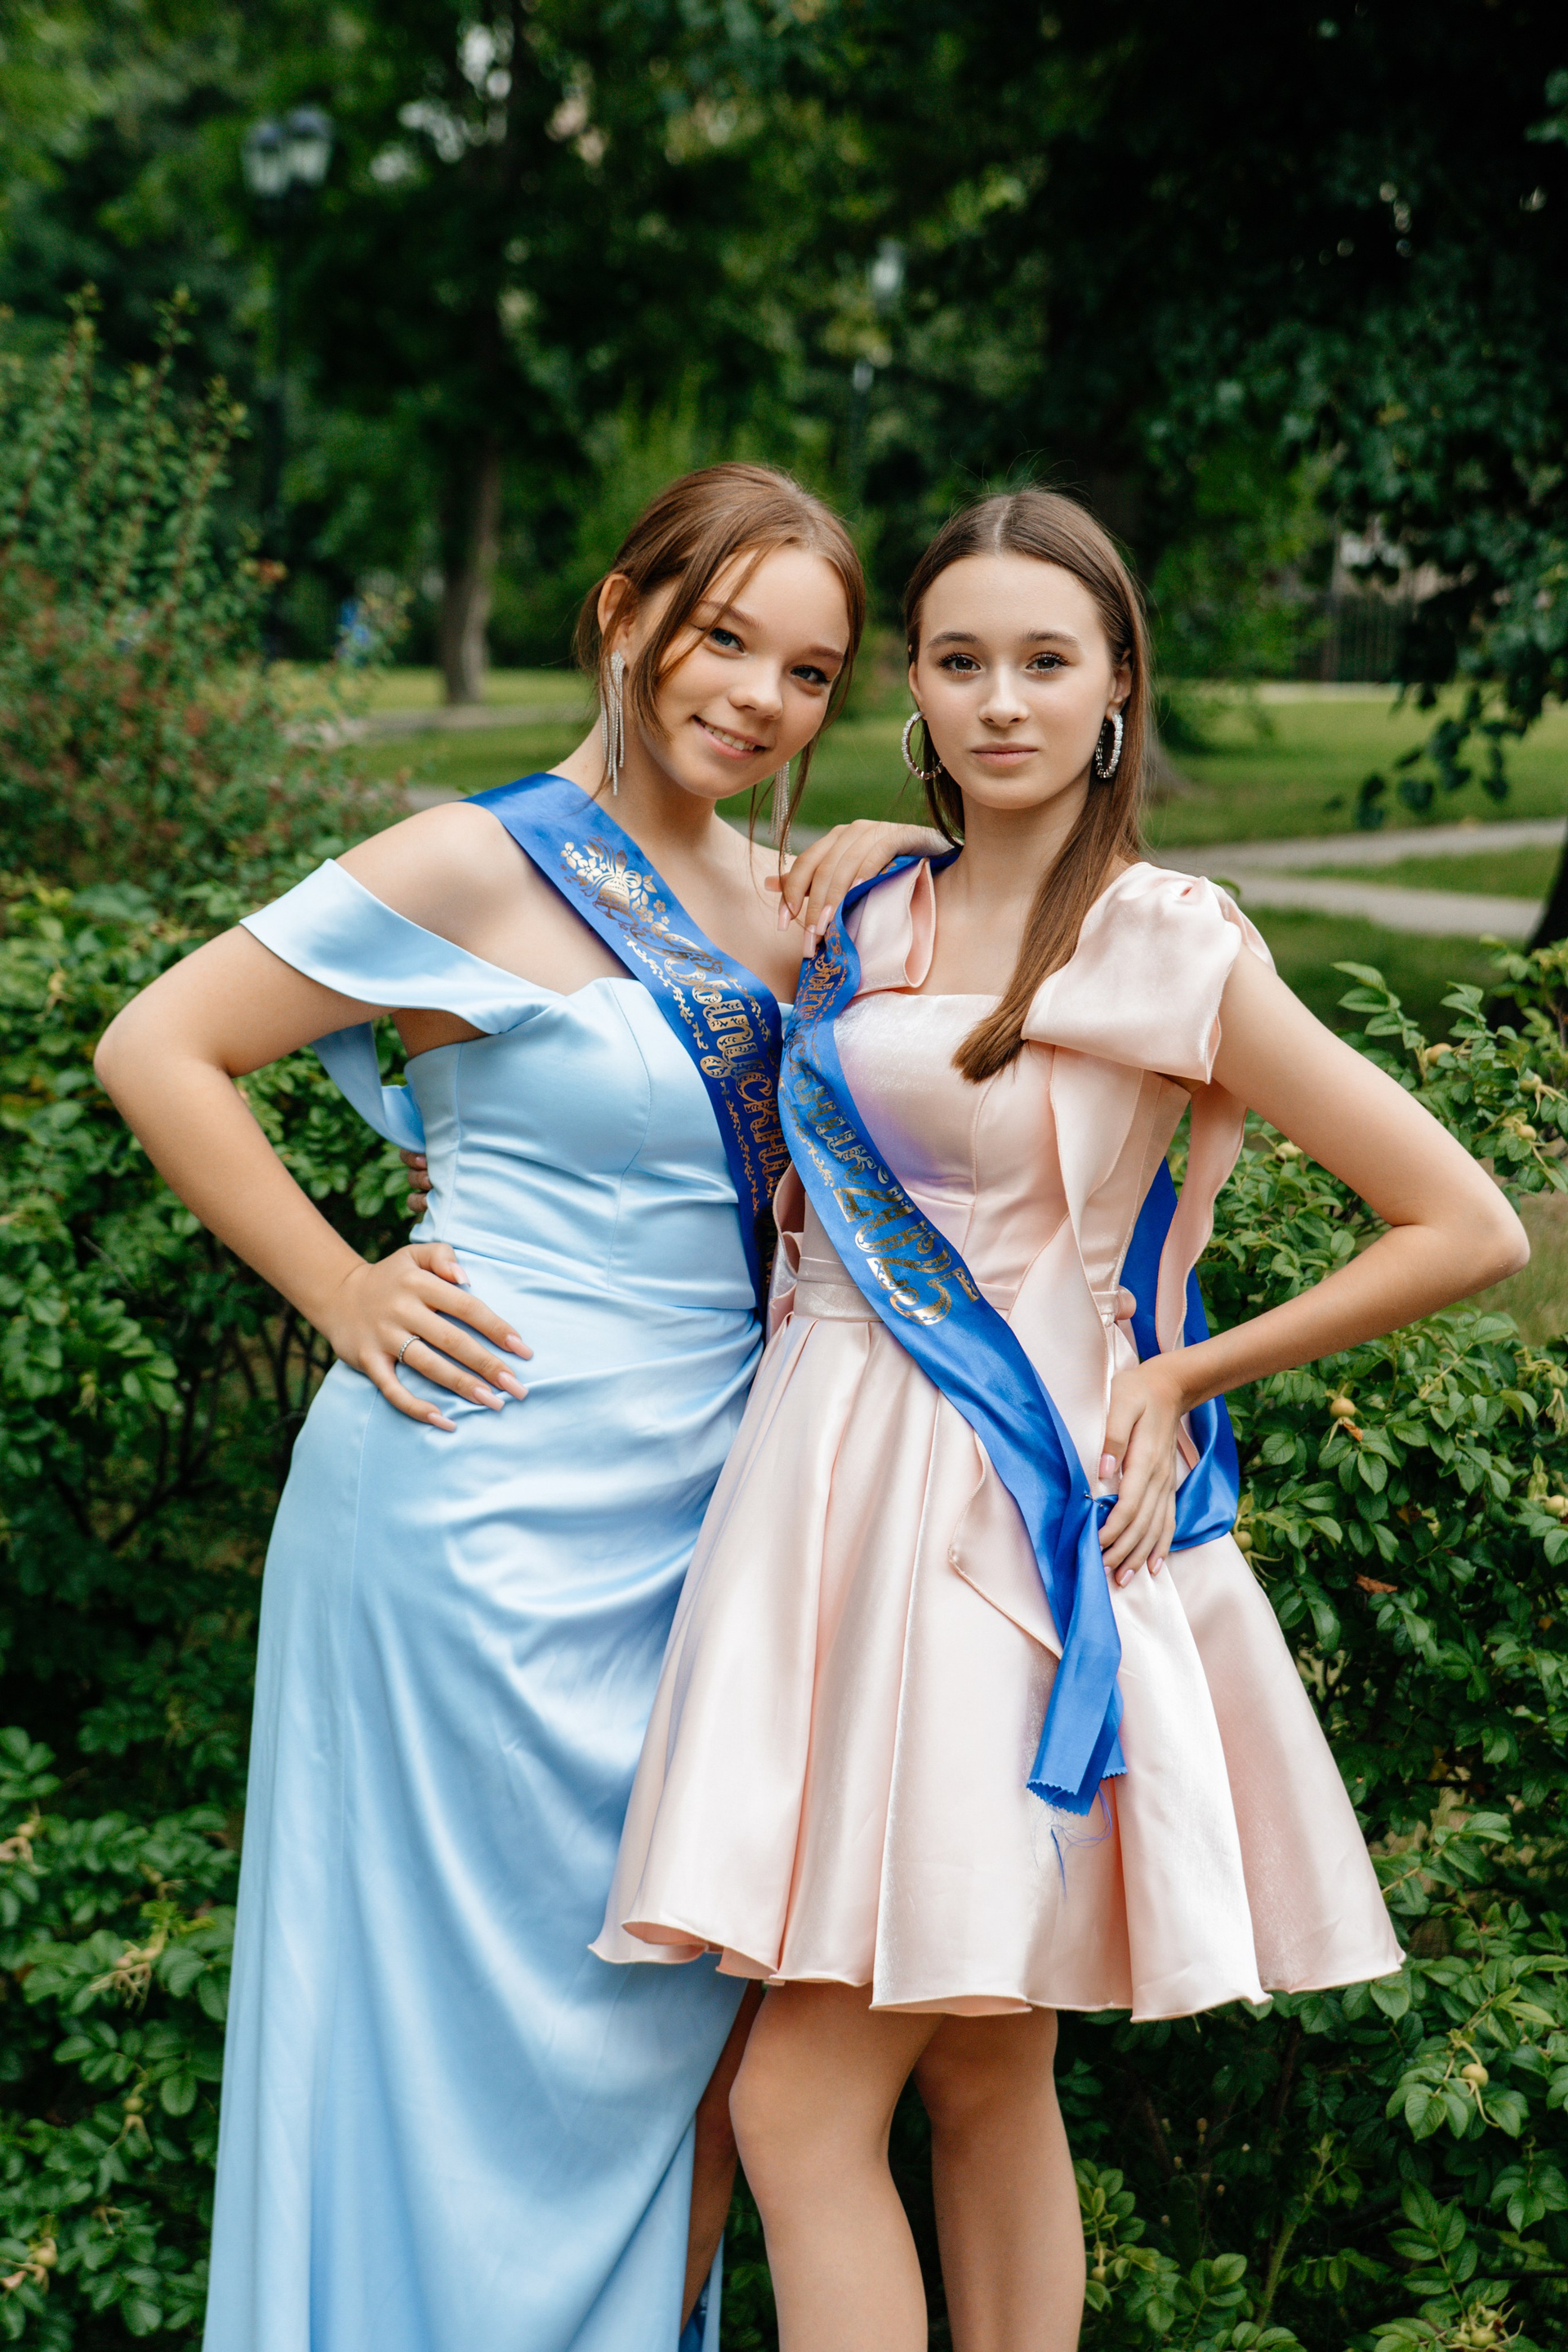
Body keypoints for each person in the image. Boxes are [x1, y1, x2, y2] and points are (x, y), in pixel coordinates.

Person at [593, 488, 1530, 2351]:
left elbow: (1465, 1225)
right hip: (817, 1499)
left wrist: (1180, 1372)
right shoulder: (862, 904)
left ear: (1115, 690)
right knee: (983, 2066)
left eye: (1044, 661)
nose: (1000, 701)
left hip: (996, 1531)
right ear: (914, 693)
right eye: (959, 661)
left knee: (797, 2106)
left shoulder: (1167, 942)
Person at [93, 463, 938, 2352]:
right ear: (627, 613)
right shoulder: (475, 863)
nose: (761, 697)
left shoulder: (797, 901)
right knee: (437, 2046)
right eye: (724, 637)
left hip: (710, 1540)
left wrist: (901, 848)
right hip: (466, 1531)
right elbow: (160, 1044)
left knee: (671, 2052)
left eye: (809, 672)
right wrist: (340, 1287)